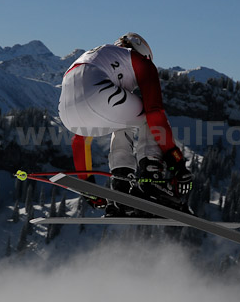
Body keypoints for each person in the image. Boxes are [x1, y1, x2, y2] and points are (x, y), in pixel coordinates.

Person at [58, 32, 194, 216]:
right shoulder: (141, 62)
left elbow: (79, 141)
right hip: (98, 94)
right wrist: (176, 160)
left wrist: (87, 185)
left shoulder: (101, 57)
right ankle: (152, 176)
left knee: (123, 120)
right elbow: (156, 114)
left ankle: (121, 184)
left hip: (66, 113)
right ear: (143, 52)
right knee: (148, 114)